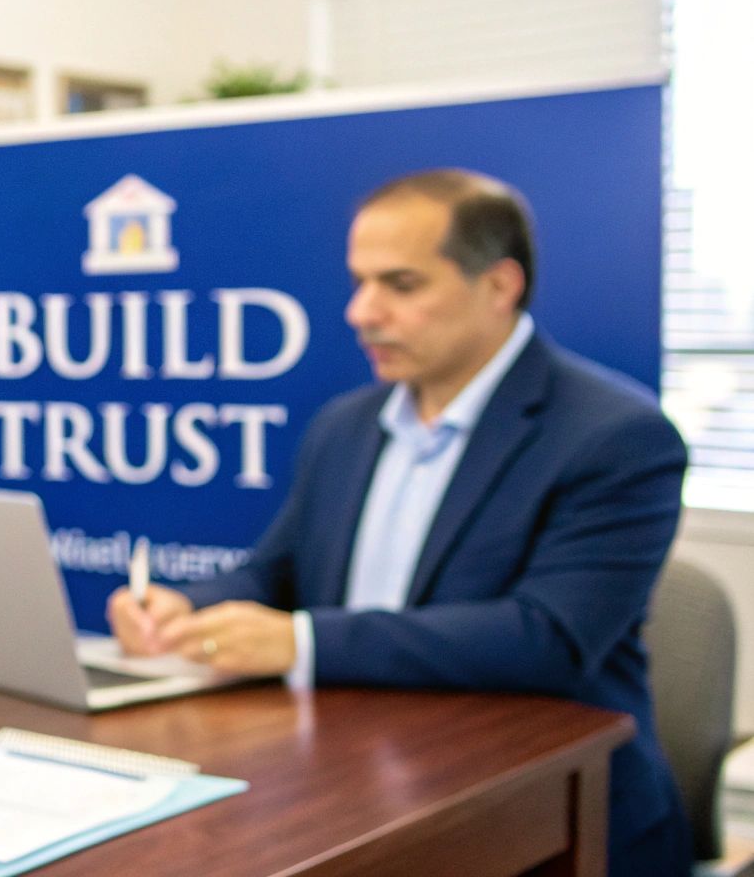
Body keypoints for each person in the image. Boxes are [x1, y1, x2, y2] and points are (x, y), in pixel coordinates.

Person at [108, 169, 689, 876]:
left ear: (500, 287)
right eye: (358, 282)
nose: (361, 311)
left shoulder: (615, 436)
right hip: (354, 789)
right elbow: (276, 571)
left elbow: (548, 638)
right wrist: (183, 609)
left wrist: (297, 641)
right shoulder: (346, 424)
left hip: (550, 819)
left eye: (401, 285)